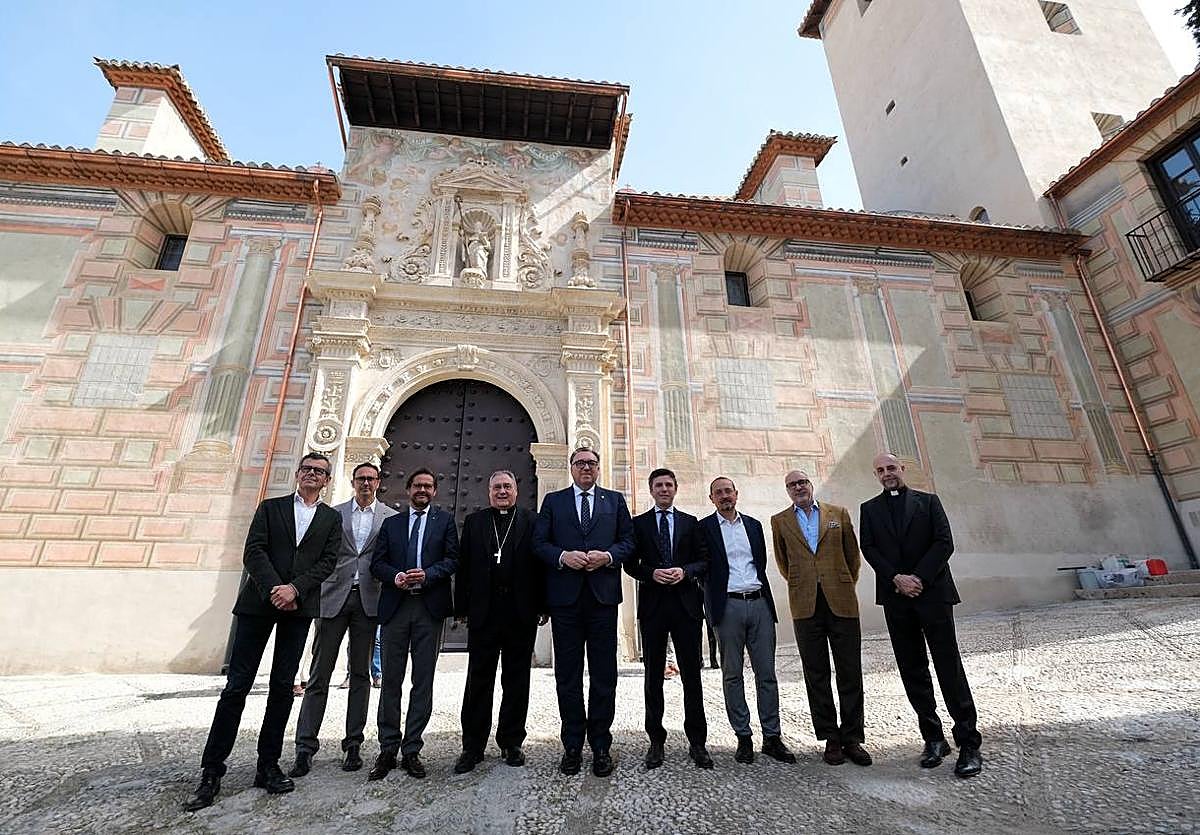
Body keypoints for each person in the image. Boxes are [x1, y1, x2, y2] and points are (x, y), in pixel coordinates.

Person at [183, 453, 342, 811]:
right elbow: (253, 551)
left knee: (283, 687)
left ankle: (267, 765)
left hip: (298, 608)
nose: (312, 475)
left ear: (327, 480)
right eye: (308, 470)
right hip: (258, 604)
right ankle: (212, 771)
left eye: (320, 472)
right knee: (236, 687)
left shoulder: (331, 519)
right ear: (298, 474)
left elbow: (328, 562)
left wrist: (295, 590)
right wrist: (275, 588)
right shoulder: (270, 508)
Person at [859, 453, 982, 778]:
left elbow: (944, 542)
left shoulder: (929, 502)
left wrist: (919, 578)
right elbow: (868, 548)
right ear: (876, 475)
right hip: (897, 598)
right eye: (881, 470)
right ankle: (933, 738)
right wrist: (897, 578)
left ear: (903, 469)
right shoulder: (869, 509)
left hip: (933, 595)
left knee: (948, 667)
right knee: (912, 669)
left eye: (891, 468)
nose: (887, 474)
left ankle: (968, 742)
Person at [290, 462, 397, 777]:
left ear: (378, 482)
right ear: (352, 482)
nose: (365, 483)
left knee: (360, 675)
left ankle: (353, 744)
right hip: (333, 598)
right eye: (360, 478)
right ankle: (304, 747)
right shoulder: (333, 514)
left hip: (368, 601)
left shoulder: (390, 518)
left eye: (371, 478)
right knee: (319, 674)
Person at [533, 446, 634, 777]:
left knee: (604, 675)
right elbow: (539, 543)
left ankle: (601, 744)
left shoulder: (615, 501)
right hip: (566, 602)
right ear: (571, 468)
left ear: (599, 468)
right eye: (580, 463)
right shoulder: (554, 502)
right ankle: (572, 745)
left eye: (591, 463)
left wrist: (607, 556)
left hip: (603, 599)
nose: (586, 468)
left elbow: (628, 542)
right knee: (568, 676)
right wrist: (563, 556)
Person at [770, 469, 870, 767]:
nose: (798, 487)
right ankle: (831, 738)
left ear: (810, 485)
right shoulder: (780, 521)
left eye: (802, 482)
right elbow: (783, 562)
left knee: (850, 671)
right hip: (805, 606)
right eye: (792, 485)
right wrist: (807, 584)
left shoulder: (837, 513)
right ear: (787, 491)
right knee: (816, 674)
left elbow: (853, 557)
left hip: (841, 601)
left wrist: (839, 582)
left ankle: (852, 737)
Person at [367, 467, 459, 781]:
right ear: (408, 490)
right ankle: (387, 747)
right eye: (417, 485)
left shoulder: (444, 522)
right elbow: (376, 563)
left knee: (423, 681)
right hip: (396, 607)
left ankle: (412, 749)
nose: (422, 490)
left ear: (434, 492)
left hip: (428, 608)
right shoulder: (391, 524)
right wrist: (394, 576)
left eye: (428, 486)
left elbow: (452, 559)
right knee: (390, 680)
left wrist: (429, 574)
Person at [697, 476, 795, 766]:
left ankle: (772, 736)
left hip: (759, 602)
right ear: (711, 498)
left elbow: (760, 563)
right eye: (719, 493)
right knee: (732, 674)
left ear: (736, 494)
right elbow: (703, 567)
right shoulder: (704, 528)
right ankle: (743, 736)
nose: (725, 496)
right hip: (727, 607)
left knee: (767, 673)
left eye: (728, 491)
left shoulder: (753, 525)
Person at [453, 470, 545, 773]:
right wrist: (461, 607)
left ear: (516, 491)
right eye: (496, 487)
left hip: (520, 613)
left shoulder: (532, 521)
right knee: (478, 680)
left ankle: (511, 741)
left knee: (517, 680)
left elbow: (541, 567)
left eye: (507, 486)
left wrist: (542, 606)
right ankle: (473, 746)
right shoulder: (476, 522)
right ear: (488, 492)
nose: (502, 492)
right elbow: (464, 567)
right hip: (484, 613)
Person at [625, 467, 713, 769]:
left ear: (675, 489)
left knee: (692, 676)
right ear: (651, 490)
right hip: (653, 608)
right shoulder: (639, 524)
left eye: (668, 485)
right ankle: (656, 741)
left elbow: (703, 560)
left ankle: (698, 742)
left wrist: (684, 571)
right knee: (653, 679)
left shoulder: (691, 523)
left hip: (686, 607)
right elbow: (630, 563)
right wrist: (651, 573)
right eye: (658, 485)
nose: (664, 489)